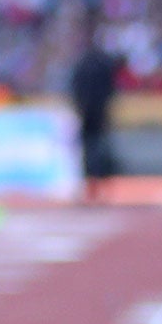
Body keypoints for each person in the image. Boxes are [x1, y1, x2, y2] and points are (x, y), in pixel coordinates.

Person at [67, 24, 121, 201]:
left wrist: (80, 106)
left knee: (92, 150)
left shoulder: (83, 63)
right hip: (96, 111)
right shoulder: (100, 62)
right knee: (95, 149)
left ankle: (94, 186)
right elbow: (111, 87)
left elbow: (75, 88)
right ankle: (96, 186)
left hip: (89, 112)